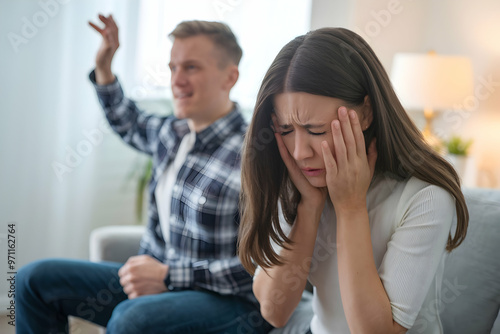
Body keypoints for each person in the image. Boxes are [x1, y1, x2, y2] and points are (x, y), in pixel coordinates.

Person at [15, 14, 271, 334]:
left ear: (229, 77)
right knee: (33, 280)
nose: (177, 80)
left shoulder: (255, 158)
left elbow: (265, 269)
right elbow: (127, 119)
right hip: (159, 284)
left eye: (191, 67)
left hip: (227, 301)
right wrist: (105, 67)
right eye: (173, 67)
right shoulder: (171, 133)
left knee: (132, 318)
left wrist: (169, 276)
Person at [238, 27, 468, 334]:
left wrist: (350, 208)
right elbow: (274, 310)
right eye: (286, 130)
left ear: (366, 113)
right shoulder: (300, 179)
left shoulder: (425, 196)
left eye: (316, 130)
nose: (299, 152)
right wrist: (309, 207)